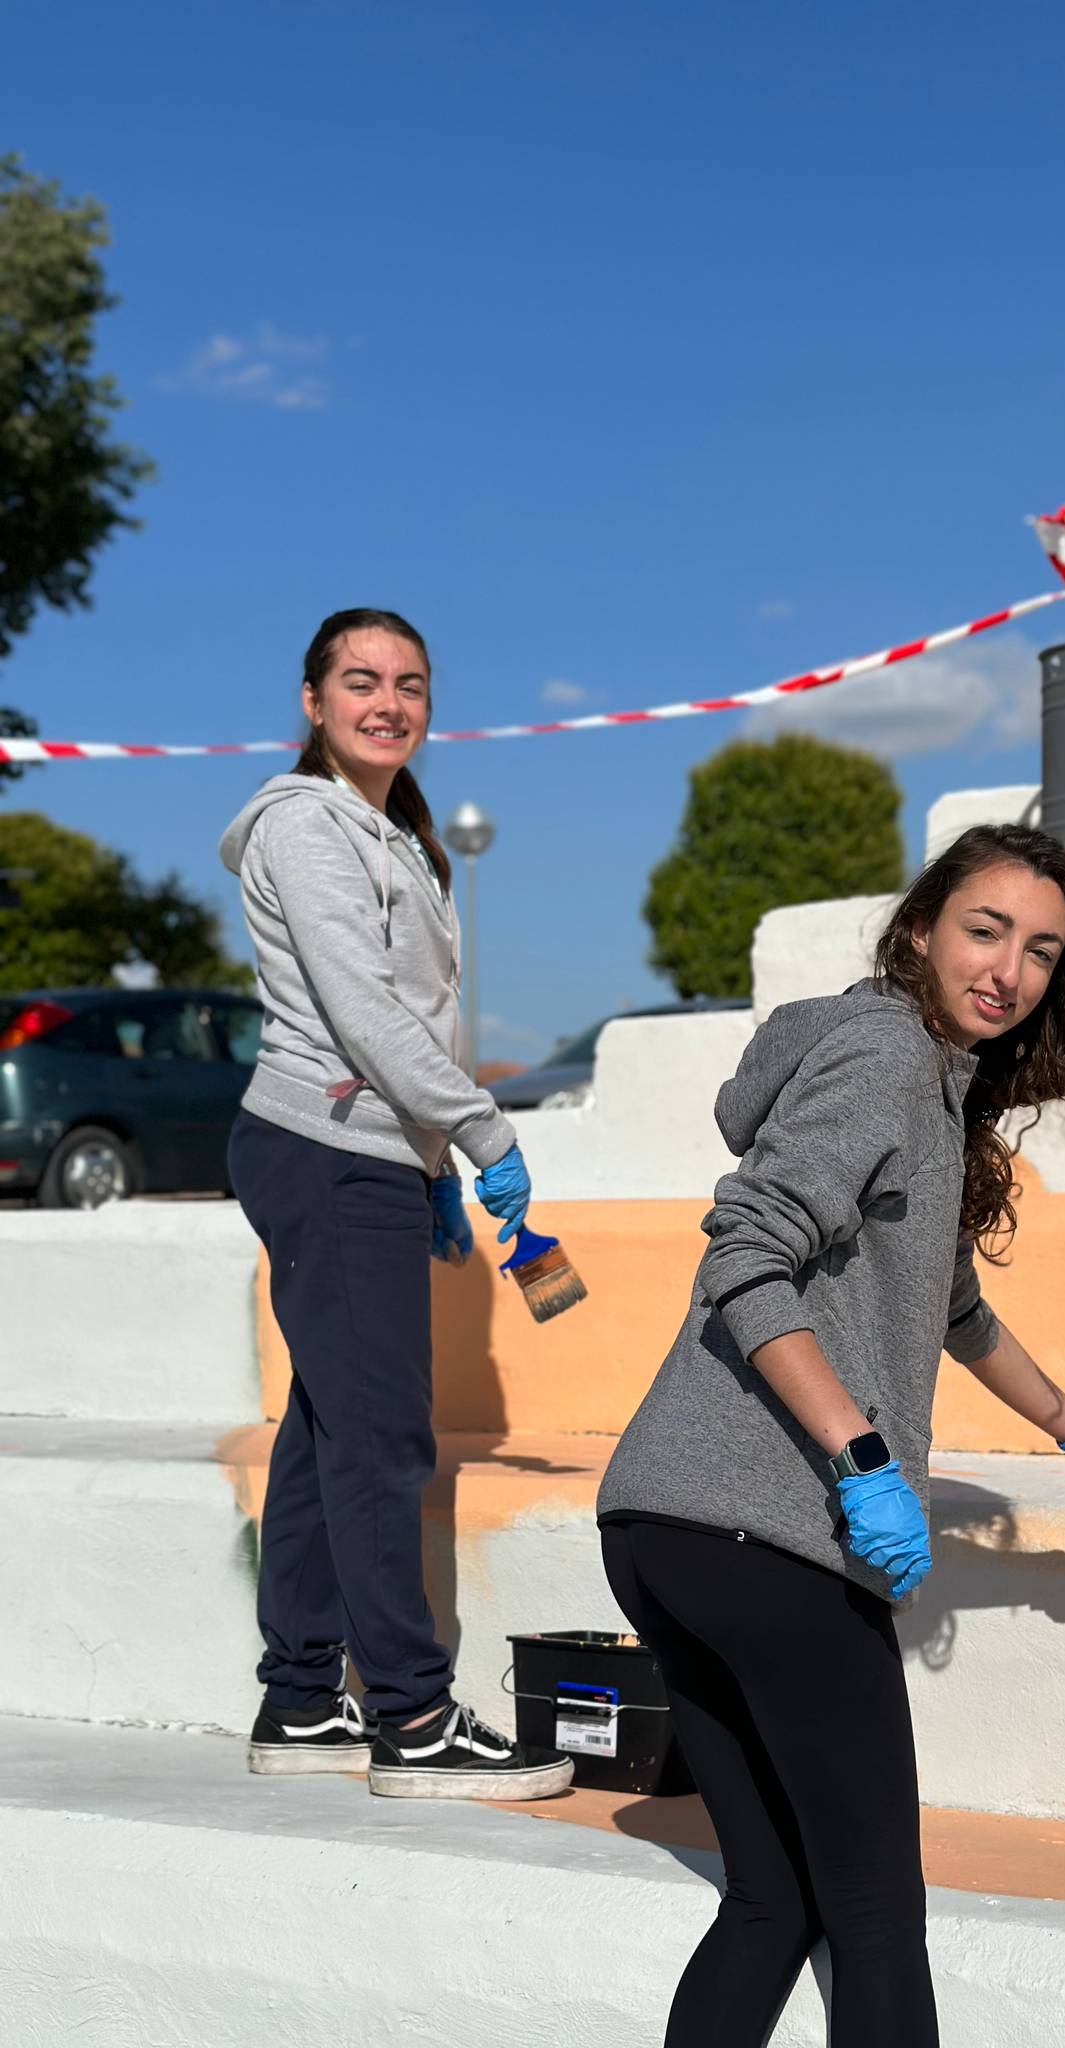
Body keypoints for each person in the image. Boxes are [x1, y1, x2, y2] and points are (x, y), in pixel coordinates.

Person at [596, 823, 1065, 2047]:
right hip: (762, 1526)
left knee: (773, 1901)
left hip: (661, 1521)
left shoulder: (928, 1081)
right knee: (877, 1915)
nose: (1009, 968)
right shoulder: (888, 1056)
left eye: (1041, 951)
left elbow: (945, 1305)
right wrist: (863, 1459)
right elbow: (748, 1252)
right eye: (985, 929)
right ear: (920, 929)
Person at [220, 607, 573, 1802]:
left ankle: (303, 1696)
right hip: (328, 1148)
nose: (388, 701)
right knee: (381, 1439)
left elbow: (389, 1020)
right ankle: (412, 1716)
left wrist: (424, 1161)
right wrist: (479, 1130)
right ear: (312, 699)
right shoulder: (311, 829)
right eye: (360, 680)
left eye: (409, 683)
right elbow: (363, 1008)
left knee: (328, 1430)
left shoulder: (389, 831)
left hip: (359, 1149)